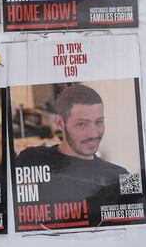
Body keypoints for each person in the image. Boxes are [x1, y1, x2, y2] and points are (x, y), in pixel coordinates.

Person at [14, 85, 128, 215]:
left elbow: (142, 224)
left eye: (99, 122)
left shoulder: (121, 175)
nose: (93, 134)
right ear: (59, 123)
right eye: (82, 124)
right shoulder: (31, 159)